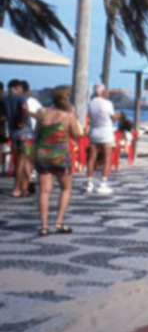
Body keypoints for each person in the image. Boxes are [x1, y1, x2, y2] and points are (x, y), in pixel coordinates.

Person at [33, 86, 84, 236]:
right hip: (60, 157)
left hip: (42, 155)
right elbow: (77, 136)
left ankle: (43, 227)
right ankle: (59, 222)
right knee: (66, 188)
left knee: (44, 191)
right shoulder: (68, 116)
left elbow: (37, 133)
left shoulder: (42, 113)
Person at [86, 83, 120, 194]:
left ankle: (89, 183)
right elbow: (112, 117)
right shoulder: (108, 103)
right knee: (107, 159)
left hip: (94, 132)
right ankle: (103, 183)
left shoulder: (90, 103)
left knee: (91, 158)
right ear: (102, 92)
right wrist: (118, 116)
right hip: (106, 133)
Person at [6, 80, 31, 197]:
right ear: (15, 88)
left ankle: (25, 186)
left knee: (20, 160)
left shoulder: (4, 99)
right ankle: (18, 187)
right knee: (23, 160)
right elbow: (24, 110)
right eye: (20, 88)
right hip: (23, 131)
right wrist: (22, 122)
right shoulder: (21, 98)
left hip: (12, 131)